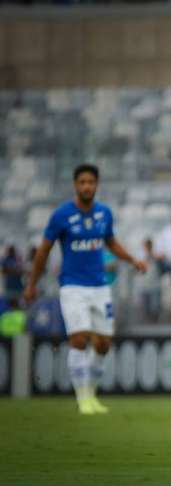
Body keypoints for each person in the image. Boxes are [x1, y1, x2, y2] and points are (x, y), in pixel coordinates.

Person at [24, 164, 147, 415]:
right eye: (82, 182)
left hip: (100, 286)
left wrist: (132, 259)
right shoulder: (61, 215)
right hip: (73, 286)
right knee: (79, 339)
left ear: (97, 184)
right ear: (75, 185)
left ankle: (91, 393)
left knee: (102, 344)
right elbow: (43, 251)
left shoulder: (104, 214)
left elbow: (111, 242)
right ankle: (82, 398)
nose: (86, 186)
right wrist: (32, 284)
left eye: (91, 182)